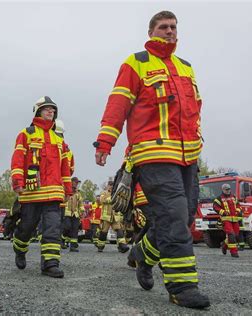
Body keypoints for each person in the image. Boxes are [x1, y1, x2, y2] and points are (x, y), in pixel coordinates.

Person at [93, 11, 210, 308]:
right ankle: (182, 287)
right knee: (172, 216)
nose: (169, 31)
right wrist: (106, 142)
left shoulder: (185, 67)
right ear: (151, 32)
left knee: (182, 217)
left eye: (173, 27)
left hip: (188, 156)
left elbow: (194, 109)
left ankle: (141, 255)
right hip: (153, 153)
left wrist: (198, 138)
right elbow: (118, 102)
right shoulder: (136, 63)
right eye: (163, 27)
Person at [10, 96, 72, 278]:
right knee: (27, 226)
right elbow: (18, 159)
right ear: (38, 111)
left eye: (53, 110)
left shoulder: (59, 139)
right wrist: (17, 182)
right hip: (32, 191)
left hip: (53, 191)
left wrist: (68, 189)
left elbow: (65, 166)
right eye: (47, 109)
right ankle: (20, 247)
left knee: (53, 227)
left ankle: (50, 264)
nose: (51, 112)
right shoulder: (26, 133)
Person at [96, 181, 130, 253]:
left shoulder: (117, 193)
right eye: (110, 185)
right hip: (106, 217)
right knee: (104, 232)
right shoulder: (104, 193)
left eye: (112, 185)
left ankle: (122, 246)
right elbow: (102, 200)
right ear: (107, 186)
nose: (111, 186)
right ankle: (100, 246)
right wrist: (112, 198)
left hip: (115, 216)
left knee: (119, 230)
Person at [213, 184, 242, 258]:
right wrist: (223, 212)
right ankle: (234, 252)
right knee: (231, 235)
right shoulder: (219, 198)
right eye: (226, 189)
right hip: (226, 220)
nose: (228, 190)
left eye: (228, 189)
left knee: (236, 235)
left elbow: (238, 205)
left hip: (235, 220)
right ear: (222, 190)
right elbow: (215, 207)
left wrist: (238, 211)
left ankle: (224, 245)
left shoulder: (233, 197)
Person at [62, 177, 83, 252]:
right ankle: (62, 240)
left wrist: (81, 212)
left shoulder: (78, 193)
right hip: (66, 213)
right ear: (71, 182)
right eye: (76, 182)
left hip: (75, 214)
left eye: (78, 183)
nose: (77, 184)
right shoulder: (65, 190)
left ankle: (73, 246)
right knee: (67, 227)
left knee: (75, 230)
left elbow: (80, 204)